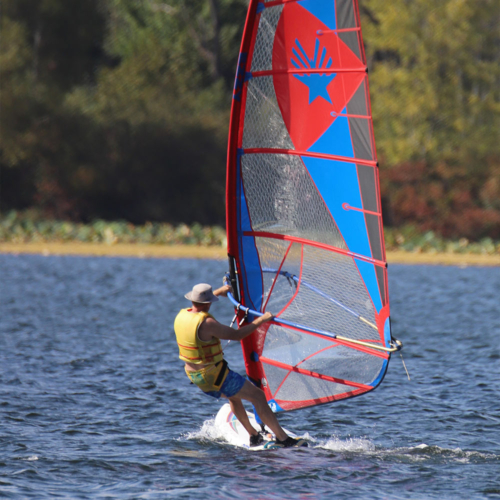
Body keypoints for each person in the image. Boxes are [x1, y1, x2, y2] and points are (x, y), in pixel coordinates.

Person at [174, 282, 306, 448]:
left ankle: (253, 435)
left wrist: (219, 292)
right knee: (257, 396)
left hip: (196, 377)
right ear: (208, 303)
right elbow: (237, 335)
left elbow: (200, 304)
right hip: (215, 375)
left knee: (234, 396)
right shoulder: (207, 323)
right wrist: (262, 320)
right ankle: (283, 438)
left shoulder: (183, 315)